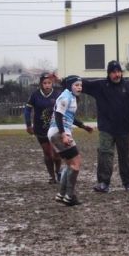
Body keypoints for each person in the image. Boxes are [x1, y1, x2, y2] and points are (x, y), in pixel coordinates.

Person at [83, 60, 129, 193]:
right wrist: (63, 81)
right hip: (106, 128)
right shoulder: (100, 85)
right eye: (113, 72)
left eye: (118, 71)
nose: (117, 74)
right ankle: (103, 183)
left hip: (124, 128)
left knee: (125, 156)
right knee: (104, 154)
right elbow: (81, 84)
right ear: (109, 73)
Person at [48, 75, 93, 206]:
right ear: (70, 86)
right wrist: (63, 135)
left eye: (80, 85)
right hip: (59, 133)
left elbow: (69, 117)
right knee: (76, 163)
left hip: (57, 133)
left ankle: (62, 195)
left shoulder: (70, 96)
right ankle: (70, 195)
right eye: (76, 85)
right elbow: (58, 115)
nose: (79, 87)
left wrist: (83, 126)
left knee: (70, 164)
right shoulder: (65, 97)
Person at [24, 72, 63, 183]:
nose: (47, 85)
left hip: (55, 128)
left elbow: (63, 110)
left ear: (52, 83)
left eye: (49, 83)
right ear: (41, 84)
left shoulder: (58, 95)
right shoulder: (35, 95)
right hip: (40, 129)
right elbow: (27, 110)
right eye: (44, 83)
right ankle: (52, 176)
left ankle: (58, 171)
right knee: (47, 153)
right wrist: (28, 125)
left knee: (56, 154)